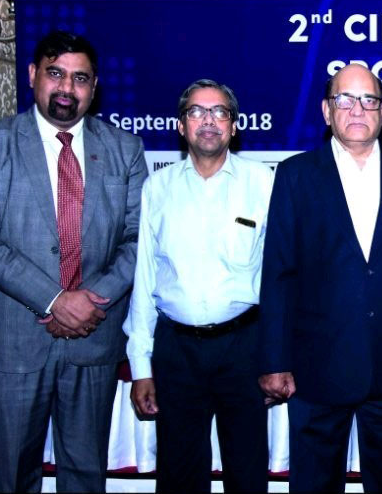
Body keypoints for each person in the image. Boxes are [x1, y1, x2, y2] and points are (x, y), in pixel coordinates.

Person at [0, 31, 147, 492]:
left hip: (93, 337)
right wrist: (56, 299)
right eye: (55, 73)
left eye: (80, 78)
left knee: (85, 476)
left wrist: (88, 300)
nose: (66, 88)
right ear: (32, 75)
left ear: (94, 86)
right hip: (12, 340)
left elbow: (139, 238)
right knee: (13, 478)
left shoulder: (125, 149)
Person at [257, 63, 382, 493]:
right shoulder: (295, 175)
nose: (358, 109)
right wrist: (274, 360)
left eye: (369, 100)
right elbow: (279, 273)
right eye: (345, 99)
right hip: (316, 368)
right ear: (327, 111)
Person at [124, 79, 272, 492]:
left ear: (234, 126)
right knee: (179, 477)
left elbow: (279, 278)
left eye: (219, 112)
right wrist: (141, 367)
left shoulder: (263, 183)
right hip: (177, 351)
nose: (208, 121)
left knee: (247, 474)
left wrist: (277, 357)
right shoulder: (157, 188)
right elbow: (144, 279)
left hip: (244, 348)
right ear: (181, 125)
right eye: (196, 112)